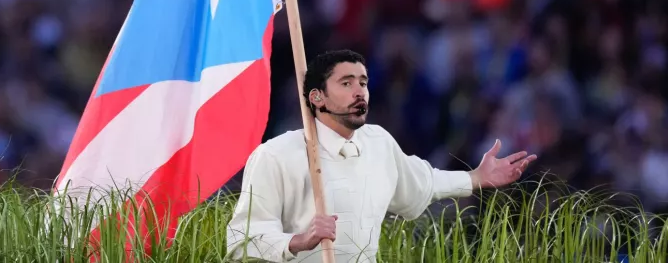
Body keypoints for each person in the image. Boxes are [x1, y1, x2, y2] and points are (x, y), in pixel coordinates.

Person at [226, 49, 537, 262]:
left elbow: (422, 181)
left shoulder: (379, 143)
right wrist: (297, 241)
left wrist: (476, 178)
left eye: (363, 82)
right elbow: (240, 240)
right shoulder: (275, 155)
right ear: (316, 98)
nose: (359, 91)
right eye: (346, 83)